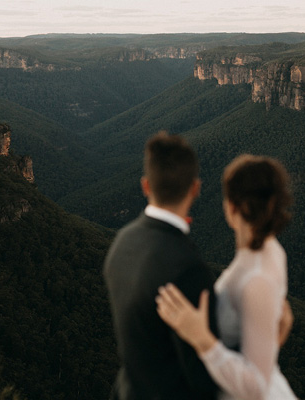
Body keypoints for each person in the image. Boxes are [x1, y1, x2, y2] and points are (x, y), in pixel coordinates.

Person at [156, 154, 297, 400]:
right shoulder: (274, 251)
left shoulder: (256, 281)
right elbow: (256, 341)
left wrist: (202, 339)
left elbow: (256, 388)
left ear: (232, 207)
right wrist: (275, 341)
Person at [103, 132, 220, 400]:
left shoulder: (121, 243)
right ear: (195, 188)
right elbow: (204, 379)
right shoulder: (189, 269)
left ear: (146, 186)